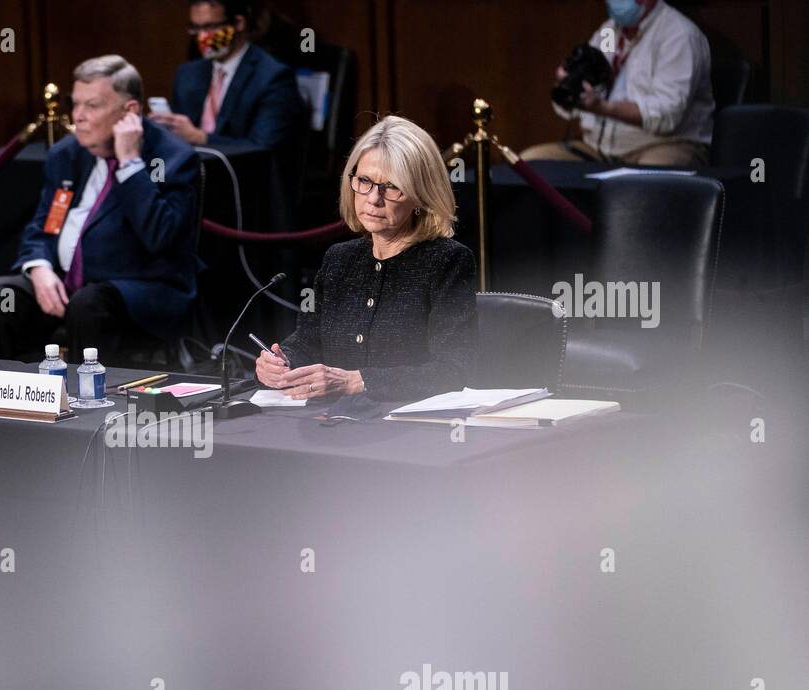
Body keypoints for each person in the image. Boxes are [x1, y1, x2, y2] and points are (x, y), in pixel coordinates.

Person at [0, 55, 201, 362]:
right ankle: (2, 398)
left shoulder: (171, 158)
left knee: (89, 303)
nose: (78, 116)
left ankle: (90, 402)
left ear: (129, 112)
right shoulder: (68, 154)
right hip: (68, 285)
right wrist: (39, 269)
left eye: (92, 106)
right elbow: (43, 227)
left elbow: (159, 236)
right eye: (76, 103)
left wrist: (130, 165)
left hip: (140, 290)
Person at [256, 116, 476, 401]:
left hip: (408, 433)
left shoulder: (448, 261)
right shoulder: (338, 259)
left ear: (421, 195)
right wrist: (281, 363)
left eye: (392, 187)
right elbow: (309, 342)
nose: (374, 199)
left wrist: (357, 382)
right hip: (333, 423)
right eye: (364, 181)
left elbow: (454, 370)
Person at [521, 0, 714, 167]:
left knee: (640, 187)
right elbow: (597, 78)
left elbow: (666, 116)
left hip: (661, 146)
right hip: (597, 150)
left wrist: (602, 107)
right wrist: (571, 83)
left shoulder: (677, 36)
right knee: (528, 165)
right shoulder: (609, 32)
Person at [158, 1, 305, 158]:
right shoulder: (187, 74)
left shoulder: (272, 77)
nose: (202, 37)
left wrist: (200, 138)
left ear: (239, 23)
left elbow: (262, 147)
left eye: (210, 27)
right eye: (196, 28)